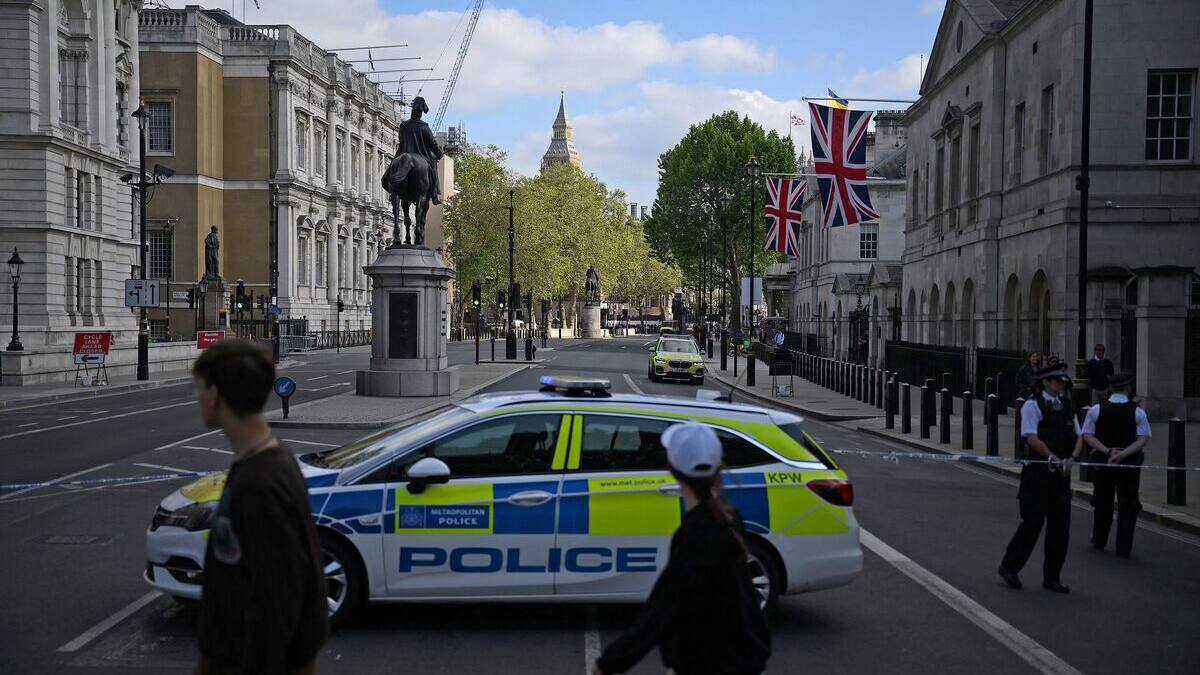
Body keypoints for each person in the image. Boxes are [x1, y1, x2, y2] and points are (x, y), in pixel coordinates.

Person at [592, 422, 770, 675]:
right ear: (718, 467)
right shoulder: (727, 518)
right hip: (735, 660)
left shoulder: (699, 531)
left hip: (711, 665)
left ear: (671, 468)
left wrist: (608, 663)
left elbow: (664, 608)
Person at [193, 340, 328, 674]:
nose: (197, 397)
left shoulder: (259, 483)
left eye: (199, 388)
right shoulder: (271, 458)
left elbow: (276, 602)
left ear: (215, 395)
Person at [998, 364, 1084, 594]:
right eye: (1057, 380)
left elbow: (1079, 436)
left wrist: (1072, 458)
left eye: (1063, 381)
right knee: (1032, 524)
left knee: (1060, 528)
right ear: (1046, 382)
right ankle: (1009, 567)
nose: (1062, 384)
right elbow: (1031, 437)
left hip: (1060, 476)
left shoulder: (1067, 406)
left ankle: (1052, 578)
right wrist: (1053, 458)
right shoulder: (1032, 405)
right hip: (1036, 474)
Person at [1082, 372, 1150, 558]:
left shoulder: (1096, 409)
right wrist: (1123, 454)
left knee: (1102, 501)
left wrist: (1108, 451)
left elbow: (1087, 435)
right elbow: (1142, 439)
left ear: (1111, 389)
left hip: (1103, 462)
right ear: (1128, 388)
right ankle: (1123, 547)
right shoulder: (1137, 411)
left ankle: (1099, 539)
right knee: (1128, 504)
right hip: (1129, 464)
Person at [395, 95, 444, 205]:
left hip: (403, 152)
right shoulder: (424, 127)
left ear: (412, 110)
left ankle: (389, 185)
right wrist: (439, 155)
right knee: (433, 167)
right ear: (421, 112)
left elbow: (401, 140)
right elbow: (432, 144)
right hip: (421, 155)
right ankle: (435, 194)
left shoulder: (403, 125)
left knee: (392, 166)